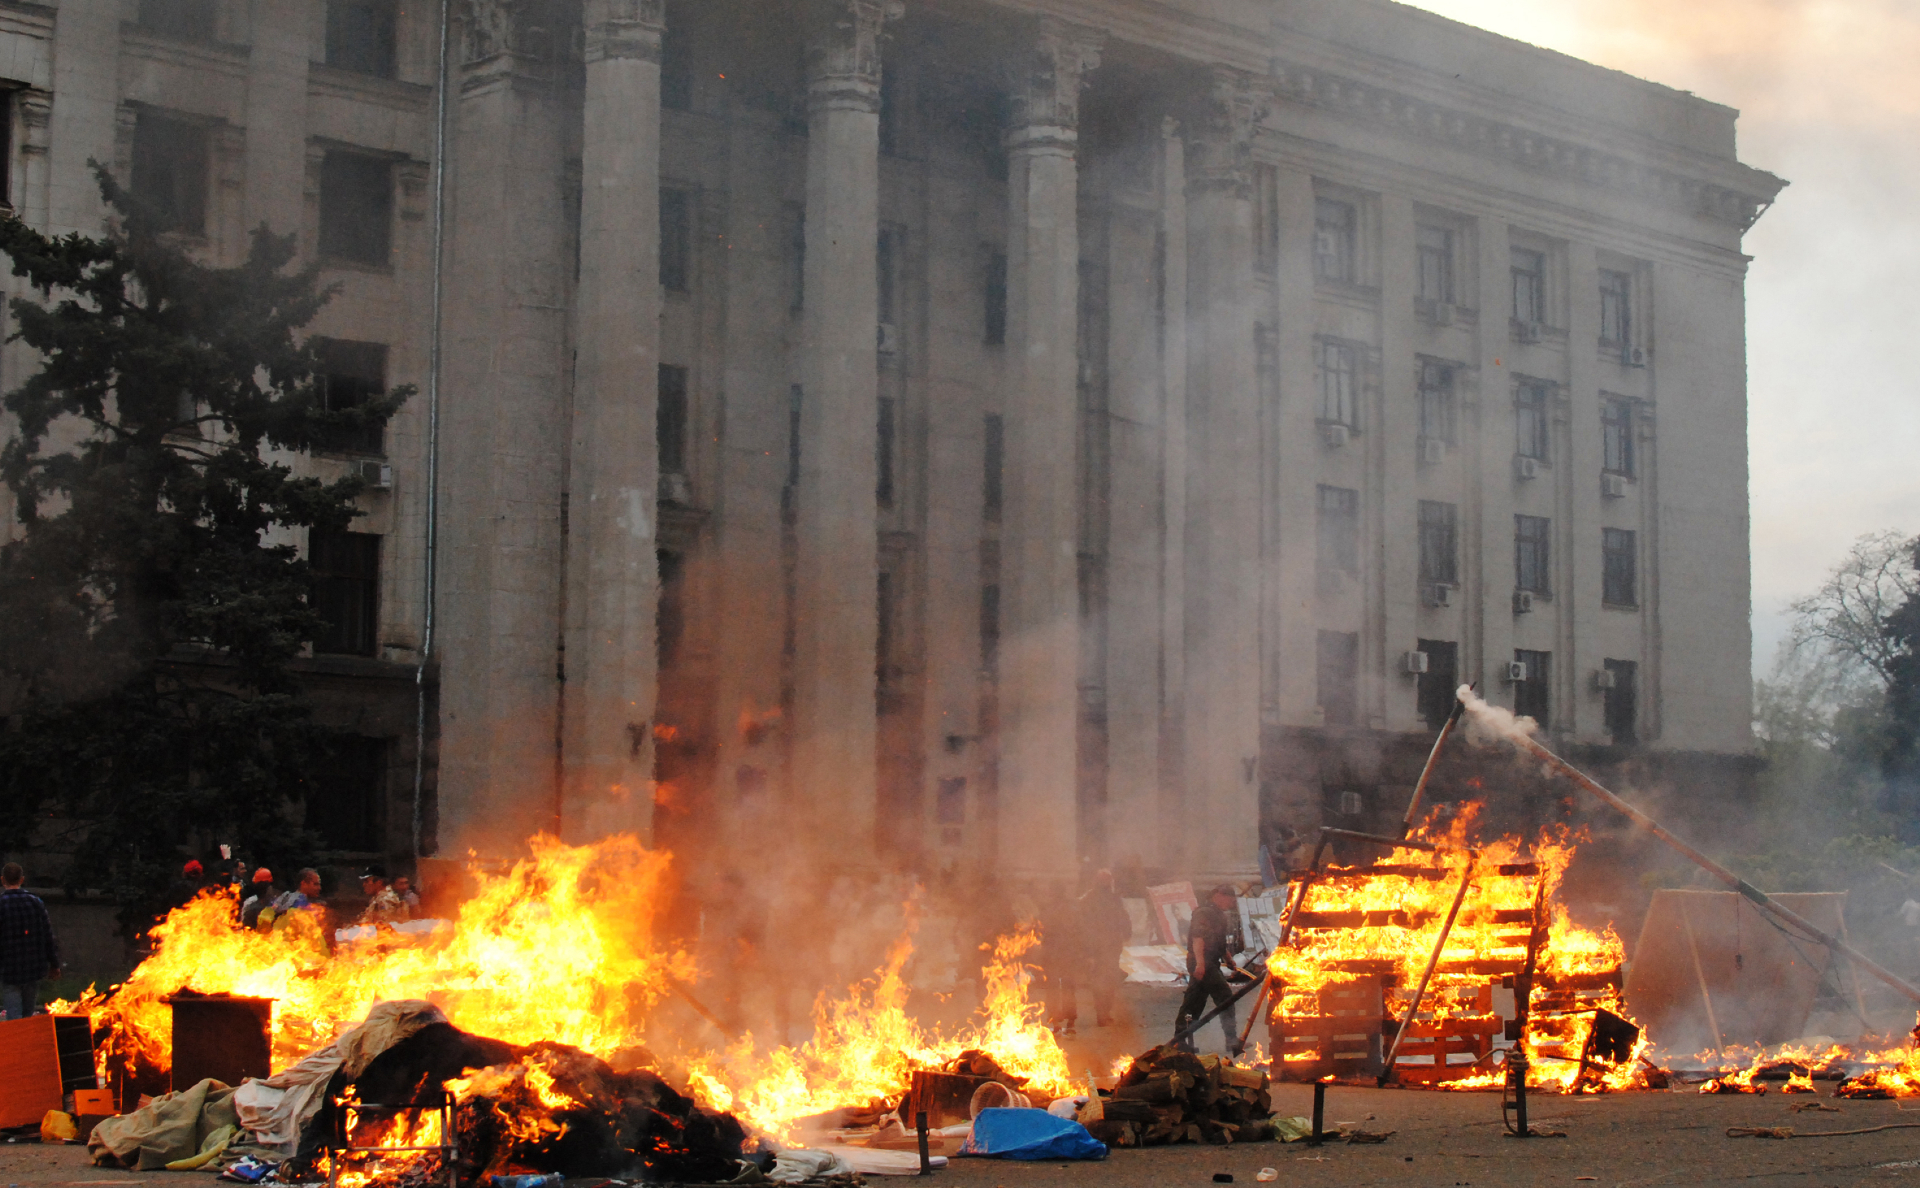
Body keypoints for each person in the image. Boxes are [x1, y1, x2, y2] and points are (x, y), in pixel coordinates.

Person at [1173, 884, 1247, 1056]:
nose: (1230, 903)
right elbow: (1198, 938)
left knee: (1194, 1001)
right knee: (1225, 996)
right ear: (1219, 896)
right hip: (1203, 961)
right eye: (1229, 899)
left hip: (1209, 962)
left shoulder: (1219, 915)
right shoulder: (1204, 913)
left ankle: (1180, 1040)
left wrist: (1229, 960)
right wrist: (1200, 964)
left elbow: (1219, 943)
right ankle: (1231, 1039)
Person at [1, 862, 61, 1020]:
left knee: (14, 1017)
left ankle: (17, 1043)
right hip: (33, 966)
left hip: (9, 969)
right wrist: (54, 964)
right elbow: (48, 935)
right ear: (22, 880)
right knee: (28, 1016)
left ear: (2, 880)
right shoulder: (35, 902)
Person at [1077, 870, 1132, 1028]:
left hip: (1100, 946)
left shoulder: (1087, 899)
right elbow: (1123, 917)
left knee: (1102, 979)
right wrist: (1126, 932)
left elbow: (1080, 923)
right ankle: (1104, 1012)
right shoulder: (1112, 899)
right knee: (1108, 979)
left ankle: (1102, 1012)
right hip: (1106, 945)